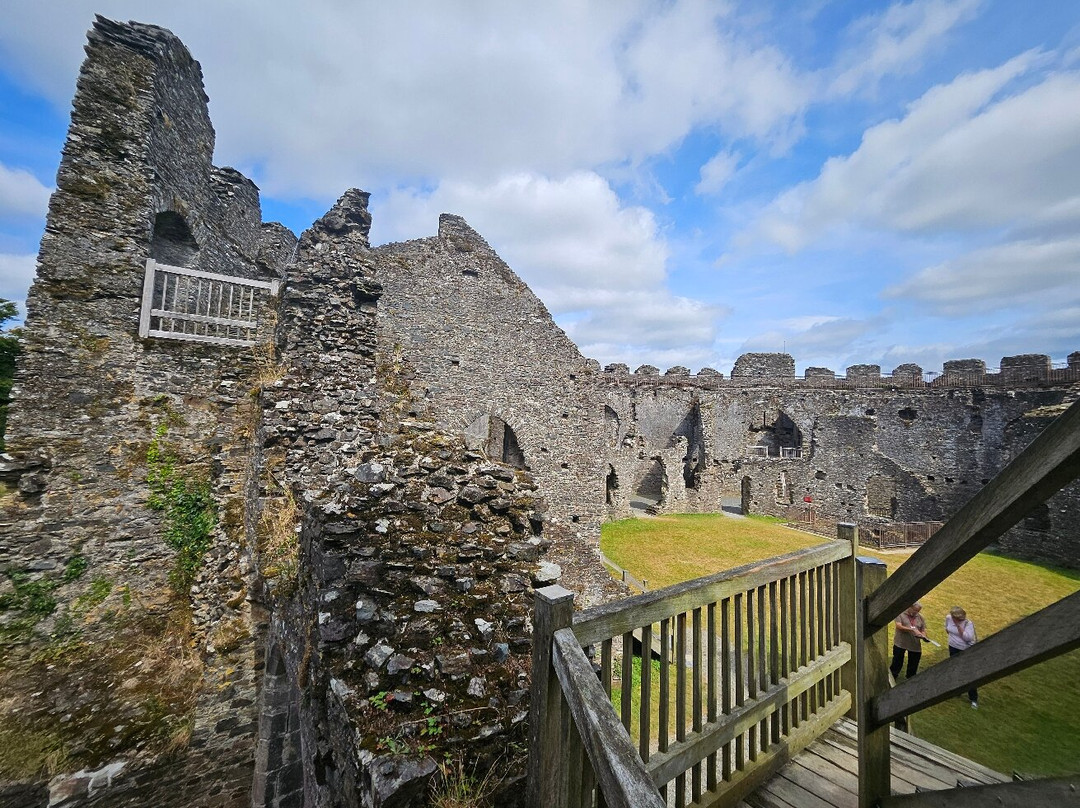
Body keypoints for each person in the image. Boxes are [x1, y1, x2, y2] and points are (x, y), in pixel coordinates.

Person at [945, 606, 979, 708]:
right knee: (955, 669)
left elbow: (967, 638)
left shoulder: (968, 624)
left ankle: (973, 698)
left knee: (968, 673)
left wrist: (959, 626)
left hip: (965, 649)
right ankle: (956, 690)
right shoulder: (948, 618)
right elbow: (947, 629)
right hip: (953, 648)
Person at [891, 602, 927, 680]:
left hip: (914, 644)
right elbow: (899, 626)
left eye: (918, 611)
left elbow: (923, 629)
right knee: (897, 661)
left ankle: (910, 679)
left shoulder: (920, 617)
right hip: (900, 643)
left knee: (913, 663)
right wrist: (912, 630)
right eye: (915, 610)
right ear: (910, 607)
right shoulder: (900, 614)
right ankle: (893, 677)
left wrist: (923, 635)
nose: (916, 613)